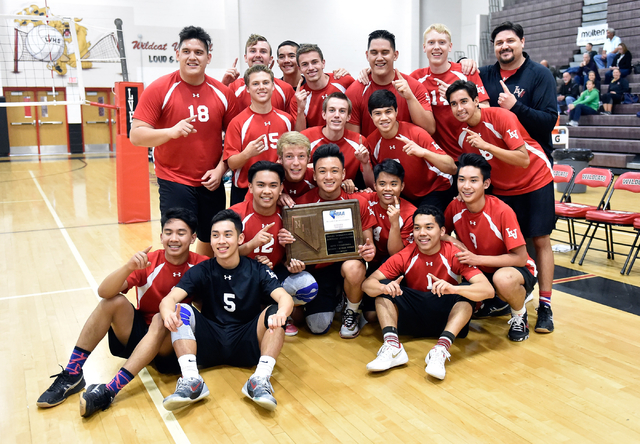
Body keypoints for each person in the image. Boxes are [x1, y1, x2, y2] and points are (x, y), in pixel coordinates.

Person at [36, 208, 208, 417]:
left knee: (160, 317)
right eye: (168, 232)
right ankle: (73, 373)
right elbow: (103, 292)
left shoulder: (201, 265)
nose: (173, 238)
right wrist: (128, 267)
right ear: (161, 236)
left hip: (170, 345)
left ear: (193, 238)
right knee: (112, 302)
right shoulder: (149, 261)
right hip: (139, 335)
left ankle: (110, 390)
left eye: (181, 233)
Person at [446, 80, 555, 333]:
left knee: (539, 240)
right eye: (453, 104)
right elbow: (471, 170)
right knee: (509, 243)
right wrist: (463, 192)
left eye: (464, 101)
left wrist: (487, 146)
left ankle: (546, 307)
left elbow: (523, 158)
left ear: (476, 100)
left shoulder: (501, 117)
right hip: (505, 188)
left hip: (535, 179)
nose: (460, 108)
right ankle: (509, 297)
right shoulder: (463, 135)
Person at [159, 209, 294, 411]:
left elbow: (284, 297)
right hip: (210, 338)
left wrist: (282, 314)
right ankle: (192, 381)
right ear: (210, 241)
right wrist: (168, 313)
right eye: (215, 235)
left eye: (227, 235)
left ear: (240, 238)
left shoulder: (257, 269)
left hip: (247, 339)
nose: (221, 241)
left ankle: (259, 379)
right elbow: (169, 299)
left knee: (275, 311)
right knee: (180, 309)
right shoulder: (202, 270)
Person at [130, 26, 238, 258]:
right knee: (177, 240)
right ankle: (178, 292)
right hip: (174, 178)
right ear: (177, 54)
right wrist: (170, 132)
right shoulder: (160, 88)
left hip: (211, 181)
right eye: (186, 51)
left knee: (211, 240)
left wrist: (221, 170)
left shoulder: (222, 92)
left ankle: (202, 286)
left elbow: (234, 138)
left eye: (199, 52)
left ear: (208, 58)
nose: (192, 57)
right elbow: (136, 136)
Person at [362, 205, 493, 379]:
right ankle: (393, 347)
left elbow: (488, 290)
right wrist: (383, 288)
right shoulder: (405, 254)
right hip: (412, 316)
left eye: (429, 227)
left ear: (442, 231)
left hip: (445, 316)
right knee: (385, 286)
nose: (422, 233)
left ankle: (441, 349)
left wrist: (453, 288)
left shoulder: (454, 254)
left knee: (465, 293)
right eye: (417, 228)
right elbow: (367, 284)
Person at [444, 153, 538, 342]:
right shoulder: (455, 206)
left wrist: (476, 259)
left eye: (473, 180)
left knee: (503, 279)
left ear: (486, 184)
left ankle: (519, 315)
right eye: (461, 180)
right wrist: (454, 242)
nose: (466, 186)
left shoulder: (502, 211)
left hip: (515, 270)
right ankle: (496, 301)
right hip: (479, 271)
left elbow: (520, 258)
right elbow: (440, 233)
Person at [294, 144, 377, 338]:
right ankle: (339, 294)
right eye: (322, 171)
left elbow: (368, 242)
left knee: (355, 268)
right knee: (317, 327)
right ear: (314, 175)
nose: (329, 177)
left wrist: (368, 250)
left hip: (346, 264)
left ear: (343, 174)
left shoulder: (358, 202)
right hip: (318, 270)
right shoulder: (301, 204)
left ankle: (352, 310)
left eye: (334, 171)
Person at [479, 21, 557, 164]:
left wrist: (515, 107)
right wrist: (464, 61)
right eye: (499, 43)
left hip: (534, 163)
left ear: (522, 42)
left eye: (510, 41)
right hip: (495, 162)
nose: (504, 46)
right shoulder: (483, 74)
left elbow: (548, 123)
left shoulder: (541, 74)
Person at [366, 90, 456, 211]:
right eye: (378, 113)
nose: (384, 118)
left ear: (396, 111)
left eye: (388, 112)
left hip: (436, 188)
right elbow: (376, 182)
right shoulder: (372, 141)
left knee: (422, 222)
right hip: (405, 194)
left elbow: (452, 168)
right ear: (370, 115)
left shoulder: (416, 133)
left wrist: (423, 152)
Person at [410, 23, 490, 159]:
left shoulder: (466, 72)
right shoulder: (416, 78)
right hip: (437, 157)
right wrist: (370, 71)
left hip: (471, 153)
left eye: (442, 42)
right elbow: (390, 79)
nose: (436, 47)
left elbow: (486, 109)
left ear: (450, 47)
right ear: (424, 47)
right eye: (431, 42)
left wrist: (456, 97)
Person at [224, 65, 294, 204]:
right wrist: (247, 154)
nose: (261, 87)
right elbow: (231, 163)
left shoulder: (287, 120)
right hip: (245, 191)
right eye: (255, 83)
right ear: (248, 89)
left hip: (276, 189)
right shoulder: (238, 122)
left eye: (266, 82)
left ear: (273, 86)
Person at [346, 29, 435, 137]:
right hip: (371, 153)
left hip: (407, 153)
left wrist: (410, 98)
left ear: (395, 55)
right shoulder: (355, 91)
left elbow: (430, 129)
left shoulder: (414, 87)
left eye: (385, 52)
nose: (379, 58)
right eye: (374, 53)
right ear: (367, 55)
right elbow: (353, 141)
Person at [301, 92, 373, 189]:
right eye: (332, 110)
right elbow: (292, 169)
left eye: (342, 111)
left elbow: (371, 186)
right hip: (310, 195)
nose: (337, 115)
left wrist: (365, 163)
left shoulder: (358, 141)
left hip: (343, 197)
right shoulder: (306, 137)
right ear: (324, 114)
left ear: (348, 117)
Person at [225, 34, 296, 113]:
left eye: (263, 51)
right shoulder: (233, 87)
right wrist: (224, 84)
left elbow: (292, 122)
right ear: (245, 57)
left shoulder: (285, 89)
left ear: (270, 59)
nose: (258, 55)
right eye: (253, 51)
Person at [293, 43, 354, 130]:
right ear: (299, 69)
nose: (310, 68)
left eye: (314, 62)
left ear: (323, 63)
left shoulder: (344, 81)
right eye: (305, 64)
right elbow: (300, 136)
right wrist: (300, 110)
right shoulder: (298, 98)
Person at [276, 131, 316, 204]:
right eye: (289, 156)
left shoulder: (316, 178)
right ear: (280, 159)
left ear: (309, 158)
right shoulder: (271, 177)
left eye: (301, 156)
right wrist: (274, 197)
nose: (296, 163)